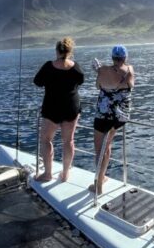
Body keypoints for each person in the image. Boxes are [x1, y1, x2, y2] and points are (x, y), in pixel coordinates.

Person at [32, 37, 84, 182]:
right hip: (71, 107)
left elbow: (37, 82)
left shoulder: (48, 66)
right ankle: (65, 174)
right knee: (68, 141)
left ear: (57, 51)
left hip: (52, 108)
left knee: (46, 140)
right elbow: (81, 80)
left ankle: (48, 174)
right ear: (70, 51)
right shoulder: (75, 67)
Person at [90, 45, 135, 194]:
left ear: (112, 57)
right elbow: (130, 86)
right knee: (107, 146)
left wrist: (100, 72)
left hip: (103, 115)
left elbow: (98, 86)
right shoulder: (129, 70)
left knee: (99, 150)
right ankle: (102, 177)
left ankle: (98, 184)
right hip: (119, 117)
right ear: (125, 57)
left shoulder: (103, 70)